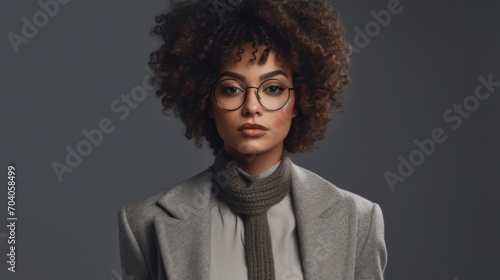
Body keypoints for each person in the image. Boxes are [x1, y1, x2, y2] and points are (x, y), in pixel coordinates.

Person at [117, 0, 387, 279]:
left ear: (300, 99)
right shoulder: (145, 223)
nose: (252, 106)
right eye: (232, 89)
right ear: (205, 101)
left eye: (273, 88)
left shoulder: (358, 220)